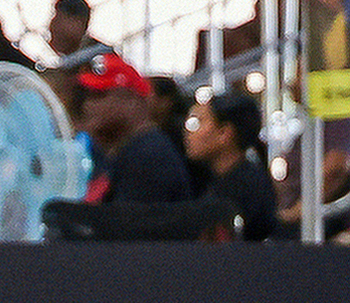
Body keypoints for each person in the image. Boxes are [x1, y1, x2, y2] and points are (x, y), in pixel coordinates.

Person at [74, 52, 192, 204]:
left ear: (132, 101)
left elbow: (126, 224)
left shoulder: (148, 157)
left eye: (99, 95)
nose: (88, 104)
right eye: (88, 96)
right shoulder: (127, 150)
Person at [184, 88, 277, 239]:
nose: (188, 133)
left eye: (197, 123)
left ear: (224, 133)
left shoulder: (243, 188)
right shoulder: (222, 179)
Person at [47, 0, 112, 67]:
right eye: (54, 15)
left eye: (57, 16)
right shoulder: (40, 51)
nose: (54, 21)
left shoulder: (94, 59)